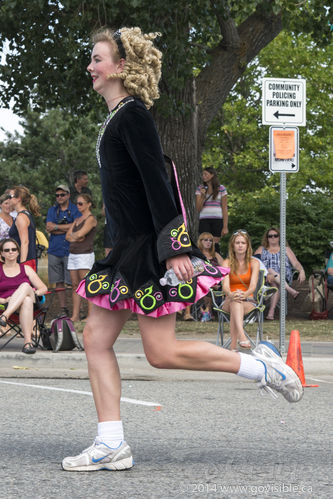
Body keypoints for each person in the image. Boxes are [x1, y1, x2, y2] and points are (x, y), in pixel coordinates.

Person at [61, 26, 303, 473]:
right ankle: (110, 442)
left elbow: (159, 182)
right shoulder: (117, 118)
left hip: (148, 252)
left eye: (98, 59)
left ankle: (261, 369)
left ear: (122, 66)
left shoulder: (132, 115)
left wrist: (175, 249)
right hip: (128, 251)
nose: (90, 67)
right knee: (97, 338)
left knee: (162, 351)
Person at [0, 238, 48, 354]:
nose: (11, 252)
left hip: (32, 302)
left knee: (26, 286)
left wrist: (33, 292)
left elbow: (44, 288)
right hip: (6, 304)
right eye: (7, 250)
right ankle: (27, 343)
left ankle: (4, 317)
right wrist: (4, 300)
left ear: (18, 251)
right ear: (1, 253)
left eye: (14, 249)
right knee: (25, 300)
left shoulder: (26, 269)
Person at [255, 227, 305, 320]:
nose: (273, 238)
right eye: (270, 236)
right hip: (266, 277)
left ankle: (271, 313)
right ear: (267, 238)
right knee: (270, 270)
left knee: (274, 281)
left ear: (279, 237)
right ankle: (289, 290)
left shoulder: (285, 249)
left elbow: (295, 263)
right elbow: (254, 262)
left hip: (284, 276)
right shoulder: (261, 249)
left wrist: (301, 270)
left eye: (275, 235)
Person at [221, 230, 260, 350]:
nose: (240, 245)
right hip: (229, 299)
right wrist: (231, 294)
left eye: (243, 242)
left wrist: (244, 294)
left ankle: (233, 349)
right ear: (232, 245)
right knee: (235, 301)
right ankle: (242, 336)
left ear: (247, 245)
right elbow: (225, 287)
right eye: (237, 242)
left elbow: (253, 286)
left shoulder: (254, 262)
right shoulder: (226, 262)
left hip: (248, 300)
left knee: (236, 303)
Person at [46, 184, 80, 315]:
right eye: (57, 195)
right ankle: (63, 309)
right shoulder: (52, 210)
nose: (59, 197)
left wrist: (57, 227)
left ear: (68, 195)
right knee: (58, 282)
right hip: (54, 250)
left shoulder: (75, 209)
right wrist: (67, 227)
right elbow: (48, 226)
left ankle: (77, 310)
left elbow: (77, 226)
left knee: (73, 282)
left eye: (62, 194)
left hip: (70, 250)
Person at [65, 194, 97, 322]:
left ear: (88, 204)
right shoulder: (77, 219)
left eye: (81, 203)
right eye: (77, 203)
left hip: (85, 254)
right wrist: (76, 237)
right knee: (75, 285)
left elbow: (80, 234)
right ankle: (75, 315)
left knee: (86, 284)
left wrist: (76, 236)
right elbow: (68, 236)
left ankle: (91, 315)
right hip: (73, 253)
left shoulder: (91, 219)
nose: (78, 206)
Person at [184, 232, 224, 321]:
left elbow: (225, 269)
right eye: (205, 240)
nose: (208, 242)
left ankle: (207, 312)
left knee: (209, 286)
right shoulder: (196, 254)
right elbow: (191, 269)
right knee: (190, 284)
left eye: (210, 240)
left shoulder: (216, 255)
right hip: (197, 281)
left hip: (213, 282)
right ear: (200, 241)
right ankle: (187, 314)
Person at [195, 167, 228, 254]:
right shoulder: (200, 188)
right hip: (204, 220)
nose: (203, 176)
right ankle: (204, 263)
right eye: (203, 174)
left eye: (205, 174)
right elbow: (198, 208)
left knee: (215, 243)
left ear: (212, 175)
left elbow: (224, 208)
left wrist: (225, 226)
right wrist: (202, 195)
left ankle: (216, 264)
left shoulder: (221, 188)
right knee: (204, 242)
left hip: (217, 220)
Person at [8, 186, 40, 271]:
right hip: (30, 259)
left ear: (18, 198)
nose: (8, 200)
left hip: (25, 261)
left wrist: (22, 265)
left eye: (10, 197)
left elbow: (25, 242)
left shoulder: (21, 217)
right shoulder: (27, 214)